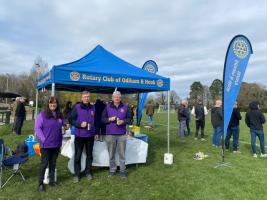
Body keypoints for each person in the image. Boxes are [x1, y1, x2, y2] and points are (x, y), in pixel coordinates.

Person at [35, 96, 65, 192]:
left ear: (57, 104)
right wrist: (43, 139)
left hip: (56, 144)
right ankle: (40, 184)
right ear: (48, 104)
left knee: (53, 163)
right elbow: (37, 128)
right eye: (51, 103)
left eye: (55, 103)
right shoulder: (42, 115)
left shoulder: (60, 115)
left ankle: (52, 181)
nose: (53, 104)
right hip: (46, 145)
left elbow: (63, 126)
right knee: (44, 164)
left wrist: (65, 126)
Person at [101, 91, 132, 178]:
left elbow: (130, 119)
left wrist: (123, 121)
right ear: (112, 98)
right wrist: (109, 119)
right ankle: (112, 169)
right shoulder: (107, 107)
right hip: (110, 134)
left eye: (118, 97)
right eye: (115, 97)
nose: (117, 98)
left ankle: (122, 171)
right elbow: (102, 119)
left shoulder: (125, 107)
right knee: (111, 154)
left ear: (120, 98)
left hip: (122, 134)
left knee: (122, 154)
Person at [71, 91, 96, 182]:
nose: (87, 98)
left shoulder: (93, 107)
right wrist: (79, 124)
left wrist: (96, 132)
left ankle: (88, 172)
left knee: (89, 155)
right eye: (85, 97)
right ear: (82, 98)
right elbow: (71, 120)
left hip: (90, 135)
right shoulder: (76, 107)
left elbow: (96, 121)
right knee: (78, 155)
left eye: (88, 97)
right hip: (79, 136)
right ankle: (77, 174)